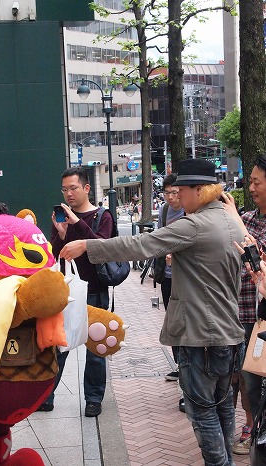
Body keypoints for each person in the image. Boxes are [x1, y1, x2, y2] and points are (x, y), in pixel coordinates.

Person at [60, 159, 245, 465]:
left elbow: (141, 244)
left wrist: (87, 246)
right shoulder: (230, 222)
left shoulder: (194, 225)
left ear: (199, 191)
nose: (176, 198)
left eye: (181, 191)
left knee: (202, 413)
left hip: (201, 337)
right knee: (223, 408)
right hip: (229, 334)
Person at [38, 167, 114, 417]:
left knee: (95, 350)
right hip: (68, 290)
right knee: (59, 345)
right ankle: (46, 396)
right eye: (64, 189)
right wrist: (61, 234)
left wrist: (77, 223)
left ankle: (93, 398)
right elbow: (55, 253)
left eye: (73, 188)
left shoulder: (103, 215)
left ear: (86, 188)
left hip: (95, 290)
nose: (68, 193)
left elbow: (99, 247)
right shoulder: (61, 217)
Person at [223, 155, 266, 456]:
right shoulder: (248, 218)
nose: (250, 187)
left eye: (256, 182)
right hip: (243, 311)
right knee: (247, 375)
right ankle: (253, 428)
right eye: (249, 181)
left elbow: (257, 256)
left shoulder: (244, 222)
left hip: (263, 316)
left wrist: (235, 219)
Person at [158, 174, 185, 411]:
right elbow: (159, 239)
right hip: (168, 277)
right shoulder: (165, 211)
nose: (172, 197)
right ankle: (179, 365)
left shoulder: (191, 211)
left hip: (185, 278)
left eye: (176, 192)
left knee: (184, 322)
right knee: (172, 320)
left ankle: (185, 368)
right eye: (168, 193)